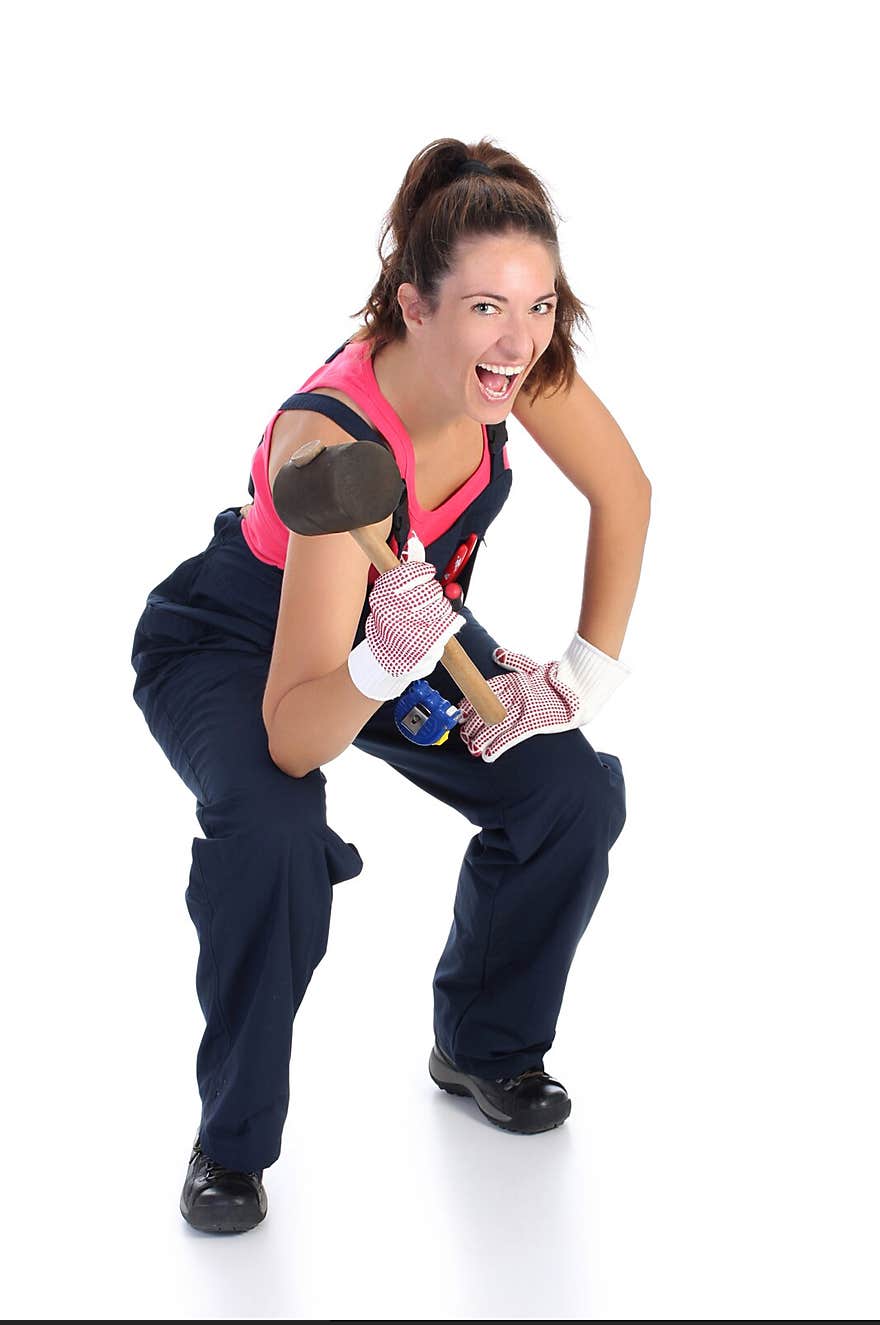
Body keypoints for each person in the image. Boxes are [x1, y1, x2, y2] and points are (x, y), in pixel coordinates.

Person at [130, 137, 651, 1235]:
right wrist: (382, 663)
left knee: (568, 792)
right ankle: (230, 1147)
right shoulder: (334, 448)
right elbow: (294, 731)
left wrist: (579, 679)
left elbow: (626, 491)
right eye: (485, 309)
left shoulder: (511, 370)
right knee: (271, 835)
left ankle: (482, 1044)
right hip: (240, 639)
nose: (519, 340)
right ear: (414, 306)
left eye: (542, 306)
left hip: (403, 625)